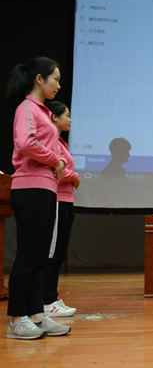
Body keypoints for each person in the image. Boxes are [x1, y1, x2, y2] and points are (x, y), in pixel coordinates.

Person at [5, 57, 71, 339]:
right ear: (39, 79)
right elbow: (25, 142)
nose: (58, 85)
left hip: (46, 188)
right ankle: (16, 319)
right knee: (28, 255)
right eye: (55, 79)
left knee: (40, 255)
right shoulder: (28, 107)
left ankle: (36, 315)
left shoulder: (42, 111)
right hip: (29, 187)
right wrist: (56, 160)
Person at [44, 101, 80, 317]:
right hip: (57, 199)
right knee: (52, 251)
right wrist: (74, 176)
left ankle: (52, 297)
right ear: (54, 117)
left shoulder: (60, 142)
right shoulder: (51, 141)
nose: (70, 119)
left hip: (66, 200)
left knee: (59, 253)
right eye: (66, 115)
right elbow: (55, 169)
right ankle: (47, 302)